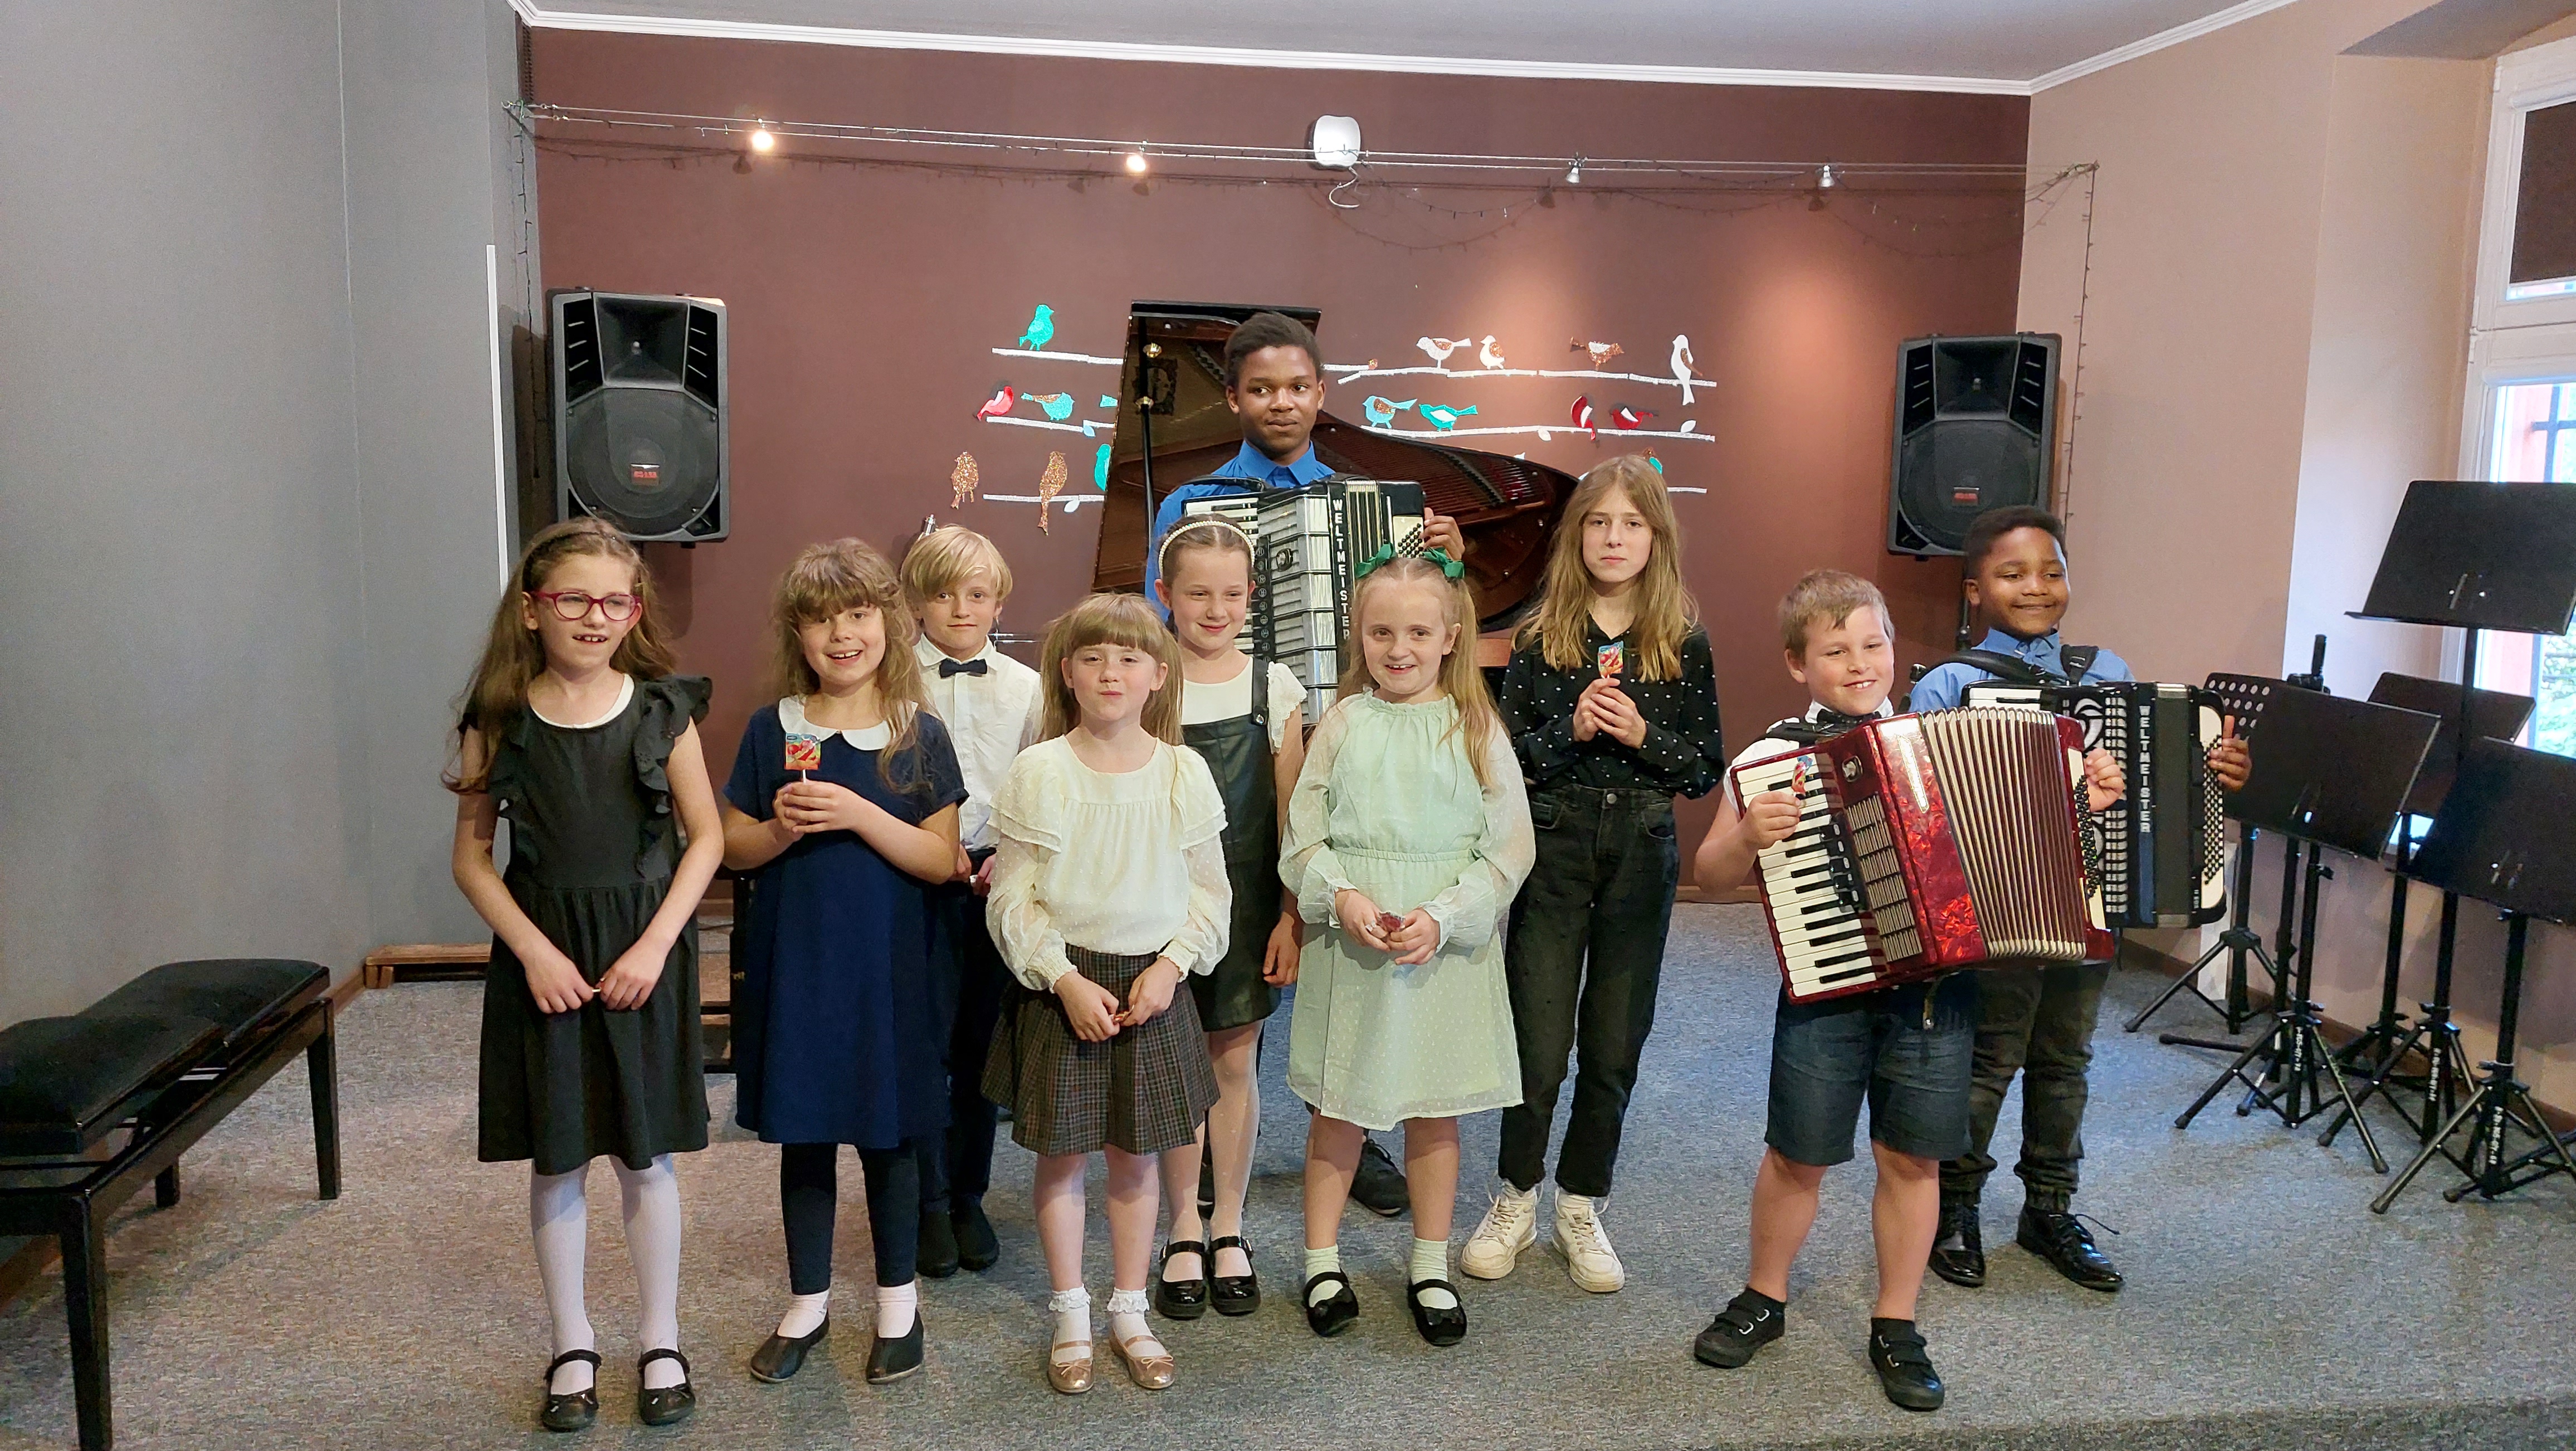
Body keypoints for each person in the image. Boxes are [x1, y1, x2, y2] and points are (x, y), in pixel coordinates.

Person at [1685, 570, 2101, 1410]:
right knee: (1798, 1154)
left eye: (1873, 644)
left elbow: (2034, 838)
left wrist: (2083, 797)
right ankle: (1764, 1295)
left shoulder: (1939, 741)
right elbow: (1713, 874)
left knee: (1913, 1158)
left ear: (1894, 649)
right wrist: (1750, 837)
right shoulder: (1770, 759)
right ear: (1798, 664)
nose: (1859, 663)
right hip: (1827, 984)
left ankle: (1898, 1319)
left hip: (1935, 996)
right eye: (1835, 650)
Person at [1141, 308, 1459, 1215]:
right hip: (1245, 743)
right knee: (1230, 951)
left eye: (1296, 386)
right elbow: (1159, 629)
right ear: (1234, 398)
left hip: (1353, 739)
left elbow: (1413, 617)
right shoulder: (1189, 504)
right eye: (1261, 388)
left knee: (1350, 951)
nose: (1280, 402)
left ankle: (1353, 1129)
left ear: (1321, 393)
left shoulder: (1376, 508)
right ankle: (1205, 1135)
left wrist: (1453, 566)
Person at [1908, 506, 2249, 1293]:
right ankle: (1955, 1206)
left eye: (2051, 571)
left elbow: (2153, 781)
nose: (2036, 586)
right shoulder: (1949, 683)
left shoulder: (2107, 671)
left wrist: (2217, 767)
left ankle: (2050, 1207)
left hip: (2093, 900)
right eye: (2012, 574)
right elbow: (1924, 803)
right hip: (2000, 908)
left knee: (2066, 1058)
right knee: (1991, 1057)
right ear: (1974, 590)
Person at [446, 518, 720, 1432]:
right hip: (546, 956)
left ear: (634, 612)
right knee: (559, 1154)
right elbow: (473, 860)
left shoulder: (662, 712)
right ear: (534, 610)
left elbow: (706, 838)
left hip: (644, 952)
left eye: (615, 602)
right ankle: (571, 1342)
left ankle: (660, 1338)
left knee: (647, 1156)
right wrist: (533, 950)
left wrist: (655, 946)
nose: (595, 617)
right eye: (574, 600)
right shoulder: (499, 720)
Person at [1467, 455, 1726, 1295]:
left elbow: (1704, 770)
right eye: (1599, 522)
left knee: (1615, 1045)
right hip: (1556, 845)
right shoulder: (1541, 638)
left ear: (1657, 538)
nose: (1614, 538)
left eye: (1632, 524)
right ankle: (1515, 1196)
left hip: (1641, 853)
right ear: (1577, 536)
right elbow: (1509, 764)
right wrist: (1571, 732)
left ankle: (1581, 1203)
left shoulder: (1682, 642)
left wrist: (1645, 736)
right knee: (1539, 1047)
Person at [721, 539, 968, 1387]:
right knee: (805, 1134)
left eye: (858, 615)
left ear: (888, 624)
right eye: (822, 620)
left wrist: (860, 813)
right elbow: (732, 845)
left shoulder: (918, 733)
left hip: (890, 974)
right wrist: (779, 829)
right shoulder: (774, 728)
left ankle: (899, 1303)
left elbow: (942, 860)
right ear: (798, 633)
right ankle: (808, 1302)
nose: (842, 635)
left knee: (889, 1138)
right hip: (799, 969)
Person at [982, 593, 1231, 1394]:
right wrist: (1061, 979)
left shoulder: (1183, 772)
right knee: (1061, 1160)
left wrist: (1171, 967)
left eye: (1128, 659)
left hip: (1153, 984)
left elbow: (1210, 893)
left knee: (1137, 1158)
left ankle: (1129, 1309)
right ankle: (1071, 1312)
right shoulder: (1040, 771)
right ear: (1068, 673)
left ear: (1159, 675)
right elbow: (1011, 899)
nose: (1110, 673)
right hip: (1067, 984)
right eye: (1093, 659)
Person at [1284, 550, 1534, 1347]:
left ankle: (1430, 1263)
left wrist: (1445, 915)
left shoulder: (1476, 727)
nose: (1400, 649)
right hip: (1355, 942)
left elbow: (1509, 850)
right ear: (1359, 636)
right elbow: (1302, 836)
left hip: (1440, 949)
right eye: (1382, 632)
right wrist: (1341, 896)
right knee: (1340, 1110)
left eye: (1419, 633)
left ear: (1451, 636)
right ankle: (1321, 1260)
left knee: (1435, 1110)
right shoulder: (1343, 724)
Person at [1150, 518, 1307, 1321]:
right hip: (1159, 904)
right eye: (1197, 594)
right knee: (1177, 1061)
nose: (1216, 610)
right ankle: (1182, 1224)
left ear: (1252, 597)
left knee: (1234, 1060)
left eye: (1232, 594)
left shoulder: (1274, 688)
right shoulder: (1148, 681)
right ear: (1165, 595)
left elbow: (1292, 815)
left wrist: (1291, 915)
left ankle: (1229, 1224)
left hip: (1247, 904)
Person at [902, 525, 1046, 1279]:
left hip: (994, 879)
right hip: (912, 876)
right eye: (944, 594)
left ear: (999, 603)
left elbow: (1038, 781)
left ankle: (968, 1196)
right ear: (917, 602)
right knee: (920, 1045)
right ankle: (925, 1201)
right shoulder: (892, 681)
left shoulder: (1029, 687)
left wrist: (1008, 862)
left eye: (978, 594)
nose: (962, 608)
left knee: (981, 1046)